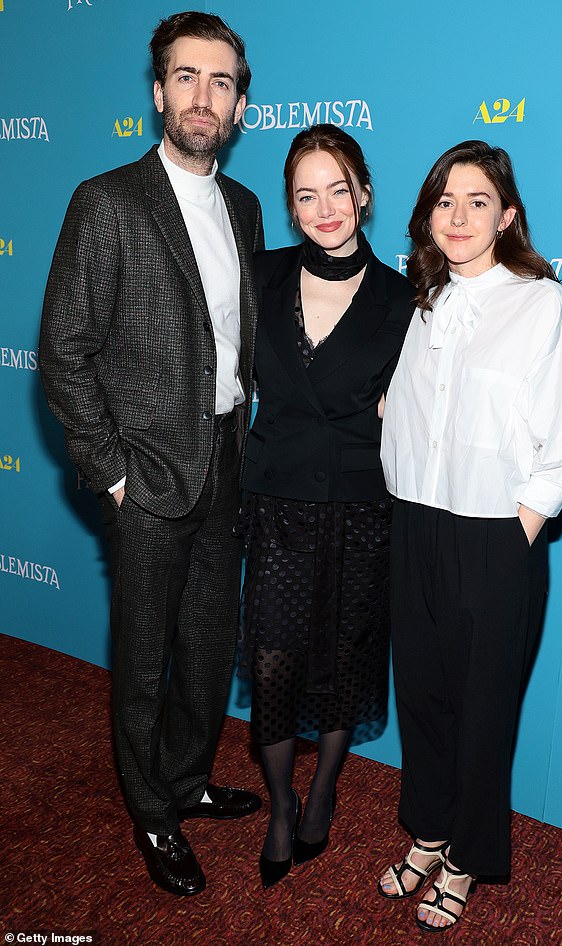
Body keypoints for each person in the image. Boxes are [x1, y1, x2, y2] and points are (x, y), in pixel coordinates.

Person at [39, 12, 264, 897]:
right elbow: (63, 348)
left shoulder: (244, 208)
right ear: (158, 91)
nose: (201, 96)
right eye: (186, 77)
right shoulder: (107, 201)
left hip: (226, 463)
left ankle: (187, 776)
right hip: (148, 473)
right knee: (142, 656)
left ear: (240, 103)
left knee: (209, 651)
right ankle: (152, 811)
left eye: (220, 81)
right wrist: (115, 471)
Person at [378, 140, 562, 931]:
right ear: (427, 217)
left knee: (481, 709)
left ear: (507, 215)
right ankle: (429, 833)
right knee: (425, 697)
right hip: (415, 525)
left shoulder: (544, 305)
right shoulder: (424, 302)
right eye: (445, 201)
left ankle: (467, 857)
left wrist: (517, 533)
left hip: (493, 539)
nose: (459, 216)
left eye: (477, 201)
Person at [237, 124, 416, 889]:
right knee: (274, 664)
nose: (323, 207)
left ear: (363, 194)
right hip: (275, 501)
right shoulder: (259, 277)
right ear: (291, 206)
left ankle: (325, 791)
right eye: (305, 194)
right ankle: (281, 805)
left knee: (345, 662)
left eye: (337, 188)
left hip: (358, 507)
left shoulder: (403, 298)